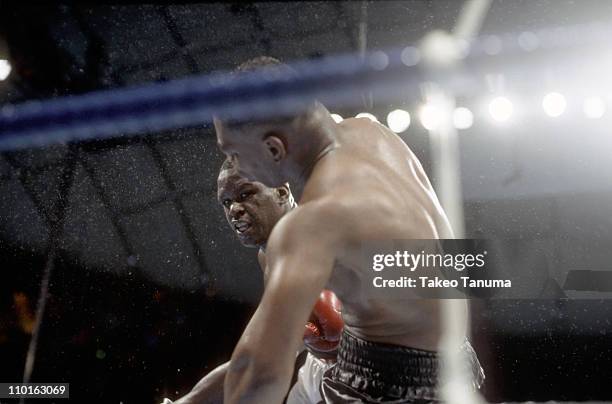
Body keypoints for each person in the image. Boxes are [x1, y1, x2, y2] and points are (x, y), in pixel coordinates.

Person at [214, 57, 484, 403]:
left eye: (234, 153)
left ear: (273, 148)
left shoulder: (311, 224)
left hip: (379, 387)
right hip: (459, 369)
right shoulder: (375, 134)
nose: (234, 165)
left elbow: (258, 374)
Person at [170, 158, 343, 404]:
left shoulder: (322, 229)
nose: (234, 210)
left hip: (379, 366)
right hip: (321, 371)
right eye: (227, 202)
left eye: (245, 194)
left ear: (282, 192)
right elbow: (255, 355)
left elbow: (414, 263)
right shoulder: (268, 255)